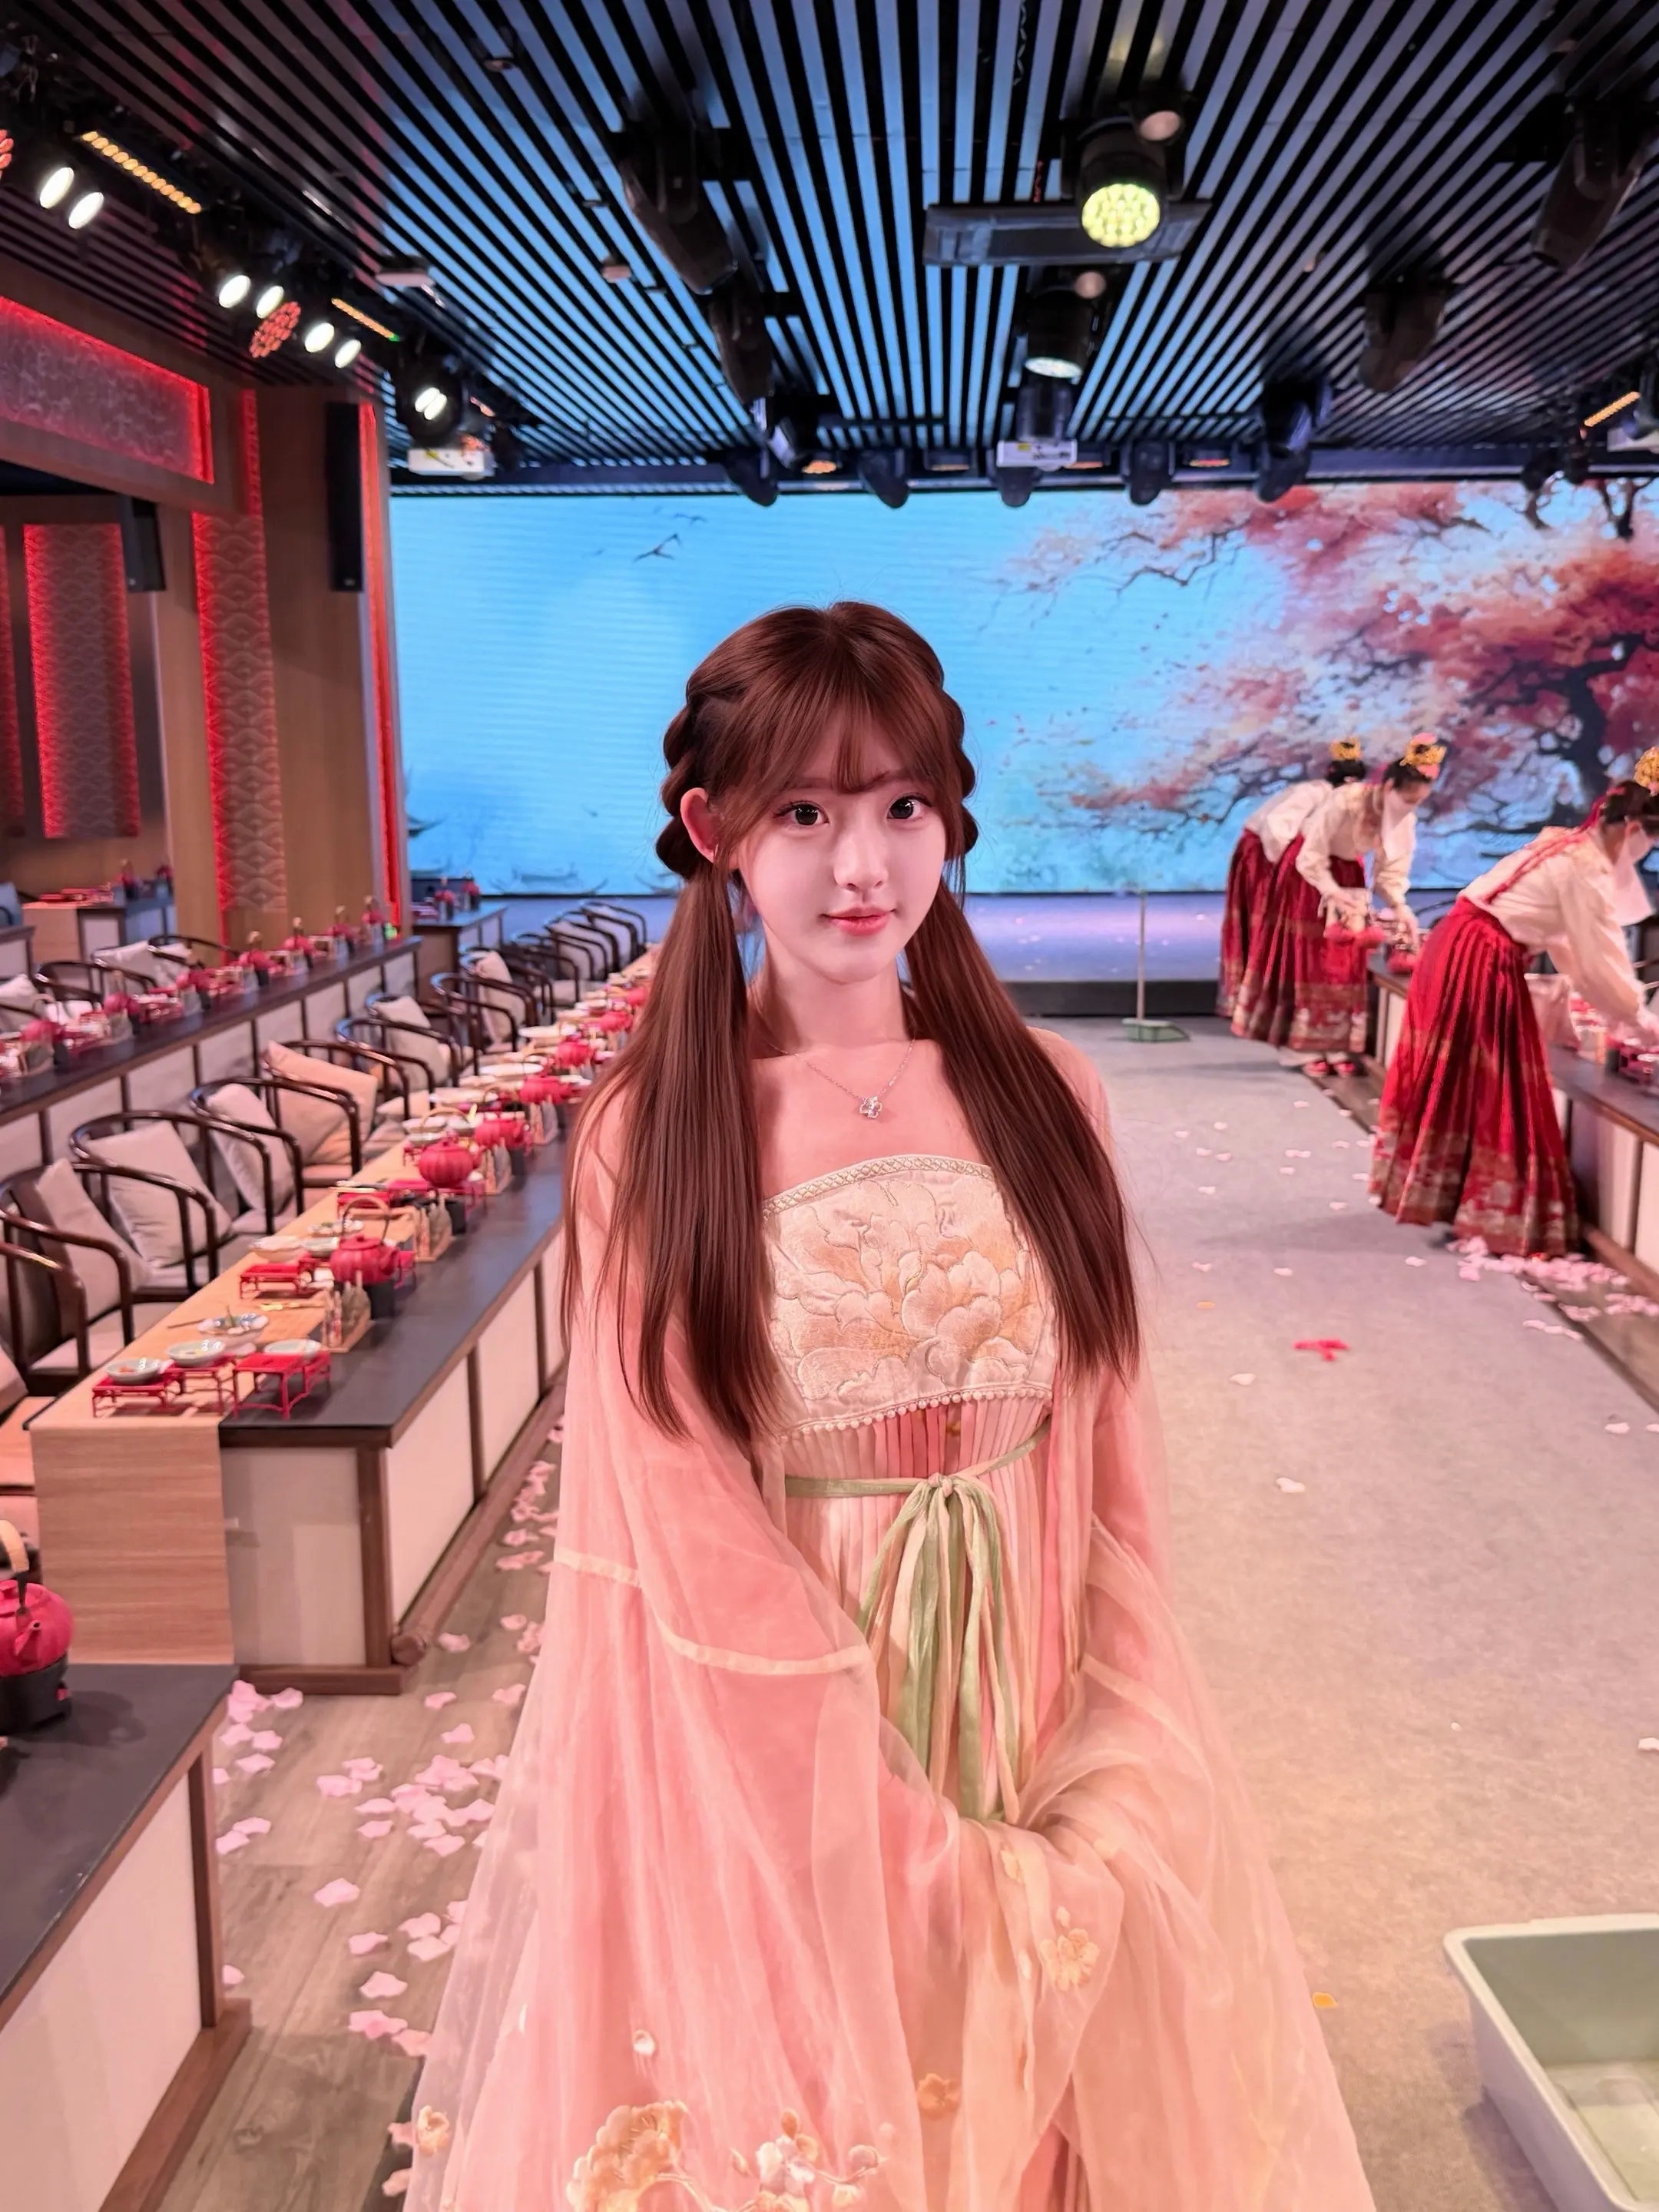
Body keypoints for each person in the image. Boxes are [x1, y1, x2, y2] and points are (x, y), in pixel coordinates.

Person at [406, 604, 1375, 2212]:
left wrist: (1126, 1742)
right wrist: (874, 1825)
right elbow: (682, 1516)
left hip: (1033, 1702)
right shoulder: (659, 1133)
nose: (862, 865)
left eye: (902, 806)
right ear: (715, 830)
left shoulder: (1050, 1096)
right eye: (806, 813)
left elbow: (1106, 1450)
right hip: (785, 1738)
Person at [1371, 757, 1659, 1256]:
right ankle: (1496, 1214)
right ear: (1632, 829)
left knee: (1462, 1078)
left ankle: (1451, 1198)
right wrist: (1640, 1021)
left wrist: (1613, 1005)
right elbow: (1600, 959)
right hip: (1481, 960)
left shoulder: (1562, 844)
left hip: (1455, 946)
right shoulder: (1585, 869)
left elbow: (1575, 949)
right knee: (1501, 1085)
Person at [1231, 736, 1442, 1068]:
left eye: (1418, 801)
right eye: (1408, 798)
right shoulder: (1346, 800)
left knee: (1345, 958)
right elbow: (1310, 855)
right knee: (1311, 956)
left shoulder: (1405, 819)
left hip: (1348, 874)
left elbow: (1389, 873)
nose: (1410, 807)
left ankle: (1338, 1044)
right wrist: (1331, 891)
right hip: (1307, 875)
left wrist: (1400, 907)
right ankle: (1301, 1046)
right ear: (1389, 787)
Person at [1217, 739, 1367, 1017]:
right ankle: (1253, 998)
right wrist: (1288, 870)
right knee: (1265, 919)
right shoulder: (1313, 793)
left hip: (1291, 856)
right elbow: (1275, 827)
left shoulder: (1345, 803)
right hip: (1262, 855)